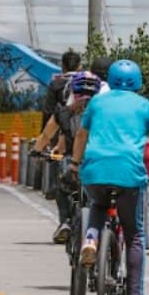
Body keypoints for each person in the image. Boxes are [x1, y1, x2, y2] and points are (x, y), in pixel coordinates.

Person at [71, 59, 149, 295]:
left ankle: (90, 239)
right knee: (134, 235)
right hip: (128, 174)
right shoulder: (145, 106)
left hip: (95, 171)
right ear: (138, 82)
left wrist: (75, 163)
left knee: (99, 205)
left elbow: (81, 135)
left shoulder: (97, 103)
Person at [32, 71, 101, 243]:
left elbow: (46, 136)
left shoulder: (63, 113)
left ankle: (65, 222)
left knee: (63, 189)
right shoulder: (104, 112)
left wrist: (37, 150)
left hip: (74, 164)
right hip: (99, 164)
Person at [43, 50, 82, 127]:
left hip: (59, 129)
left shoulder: (55, 84)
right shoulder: (87, 83)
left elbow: (48, 111)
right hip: (79, 130)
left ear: (63, 66)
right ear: (79, 66)